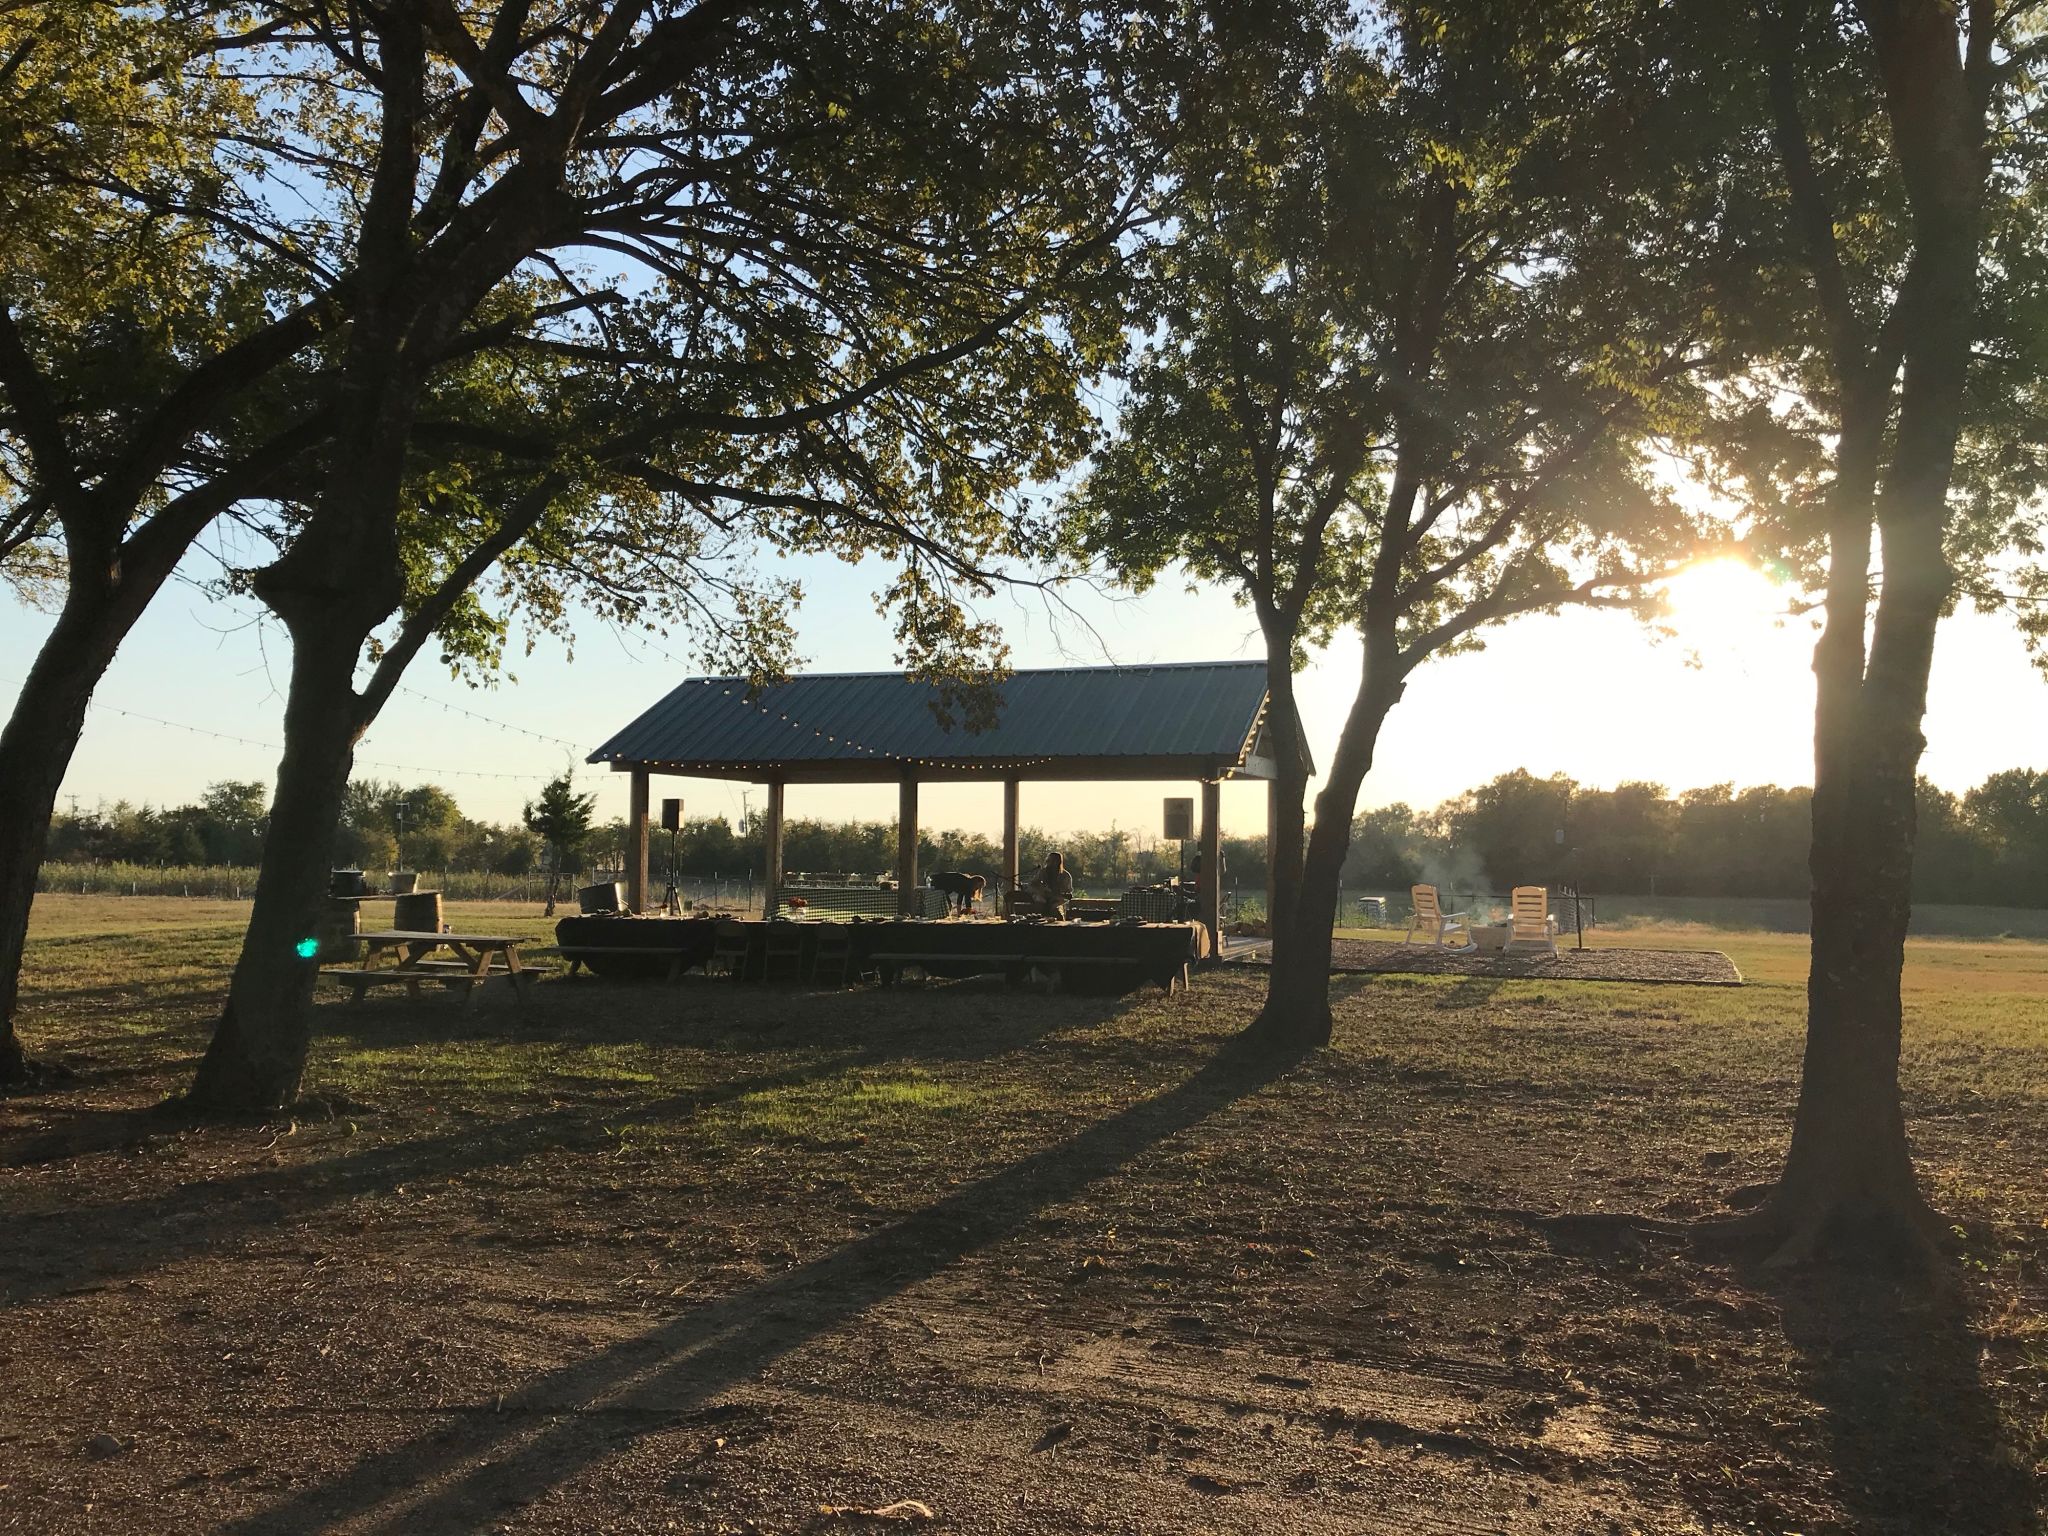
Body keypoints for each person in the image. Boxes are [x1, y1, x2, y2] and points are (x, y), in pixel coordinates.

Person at [1030, 850, 1074, 919]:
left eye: (1052, 860)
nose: (1049, 862)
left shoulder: (1065, 875)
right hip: (1043, 898)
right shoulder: (1043, 872)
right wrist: (1040, 890)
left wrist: (1057, 894)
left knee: (1055, 910)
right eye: (1049, 860)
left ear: (1058, 862)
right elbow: (1033, 884)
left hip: (1058, 900)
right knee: (1038, 906)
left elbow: (1068, 893)